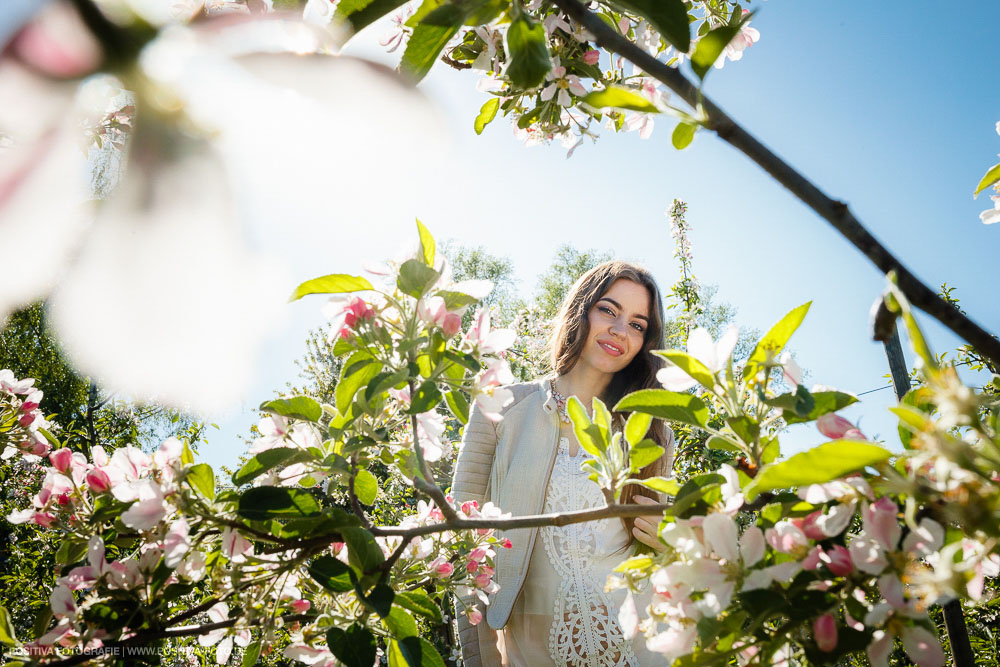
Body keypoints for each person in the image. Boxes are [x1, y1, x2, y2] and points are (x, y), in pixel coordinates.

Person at [452, 261, 675, 667]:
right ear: (581, 310)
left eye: (638, 324)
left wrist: (672, 542)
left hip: (640, 650)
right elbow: (463, 548)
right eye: (608, 310)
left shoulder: (652, 434)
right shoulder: (499, 409)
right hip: (534, 652)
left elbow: (668, 555)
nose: (620, 331)